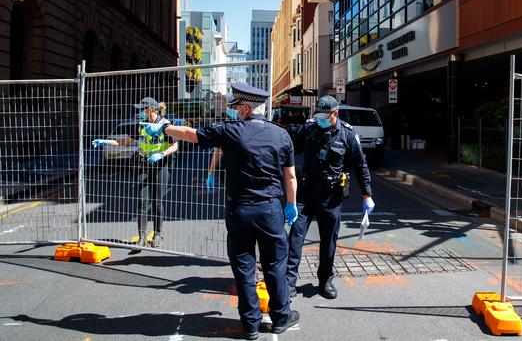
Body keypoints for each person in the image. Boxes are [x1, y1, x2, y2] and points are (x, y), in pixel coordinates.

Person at [140, 84, 300, 339]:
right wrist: (291, 204)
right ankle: (281, 317)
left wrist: (164, 127)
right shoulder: (281, 135)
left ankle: (250, 325)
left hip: (239, 210)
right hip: (270, 210)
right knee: (275, 265)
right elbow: (290, 176)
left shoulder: (231, 131)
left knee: (245, 267)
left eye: (237, 107)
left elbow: (193, 135)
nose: (234, 111)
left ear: (246, 108)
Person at [287, 95, 375, 299]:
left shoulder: (348, 134)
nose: (320, 119)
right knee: (295, 236)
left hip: (331, 196)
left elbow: (360, 165)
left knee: (328, 242)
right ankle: (289, 281)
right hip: (306, 193)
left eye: (324, 116)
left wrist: (367, 194)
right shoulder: (308, 128)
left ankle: (325, 280)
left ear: (335, 114)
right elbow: (290, 149)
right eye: (317, 115)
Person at [91, 97, 178, 253]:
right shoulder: (140, 125)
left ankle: (158, 234)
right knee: (141, 202)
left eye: (142, 109)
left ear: (150, 109)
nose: (139, 112)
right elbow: (125, 142)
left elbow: (175, 145)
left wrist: (162, 154)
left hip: (160, 166)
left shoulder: (165, 124)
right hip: (142, 164)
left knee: (157, 201)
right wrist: (106, 141)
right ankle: (142, 238)